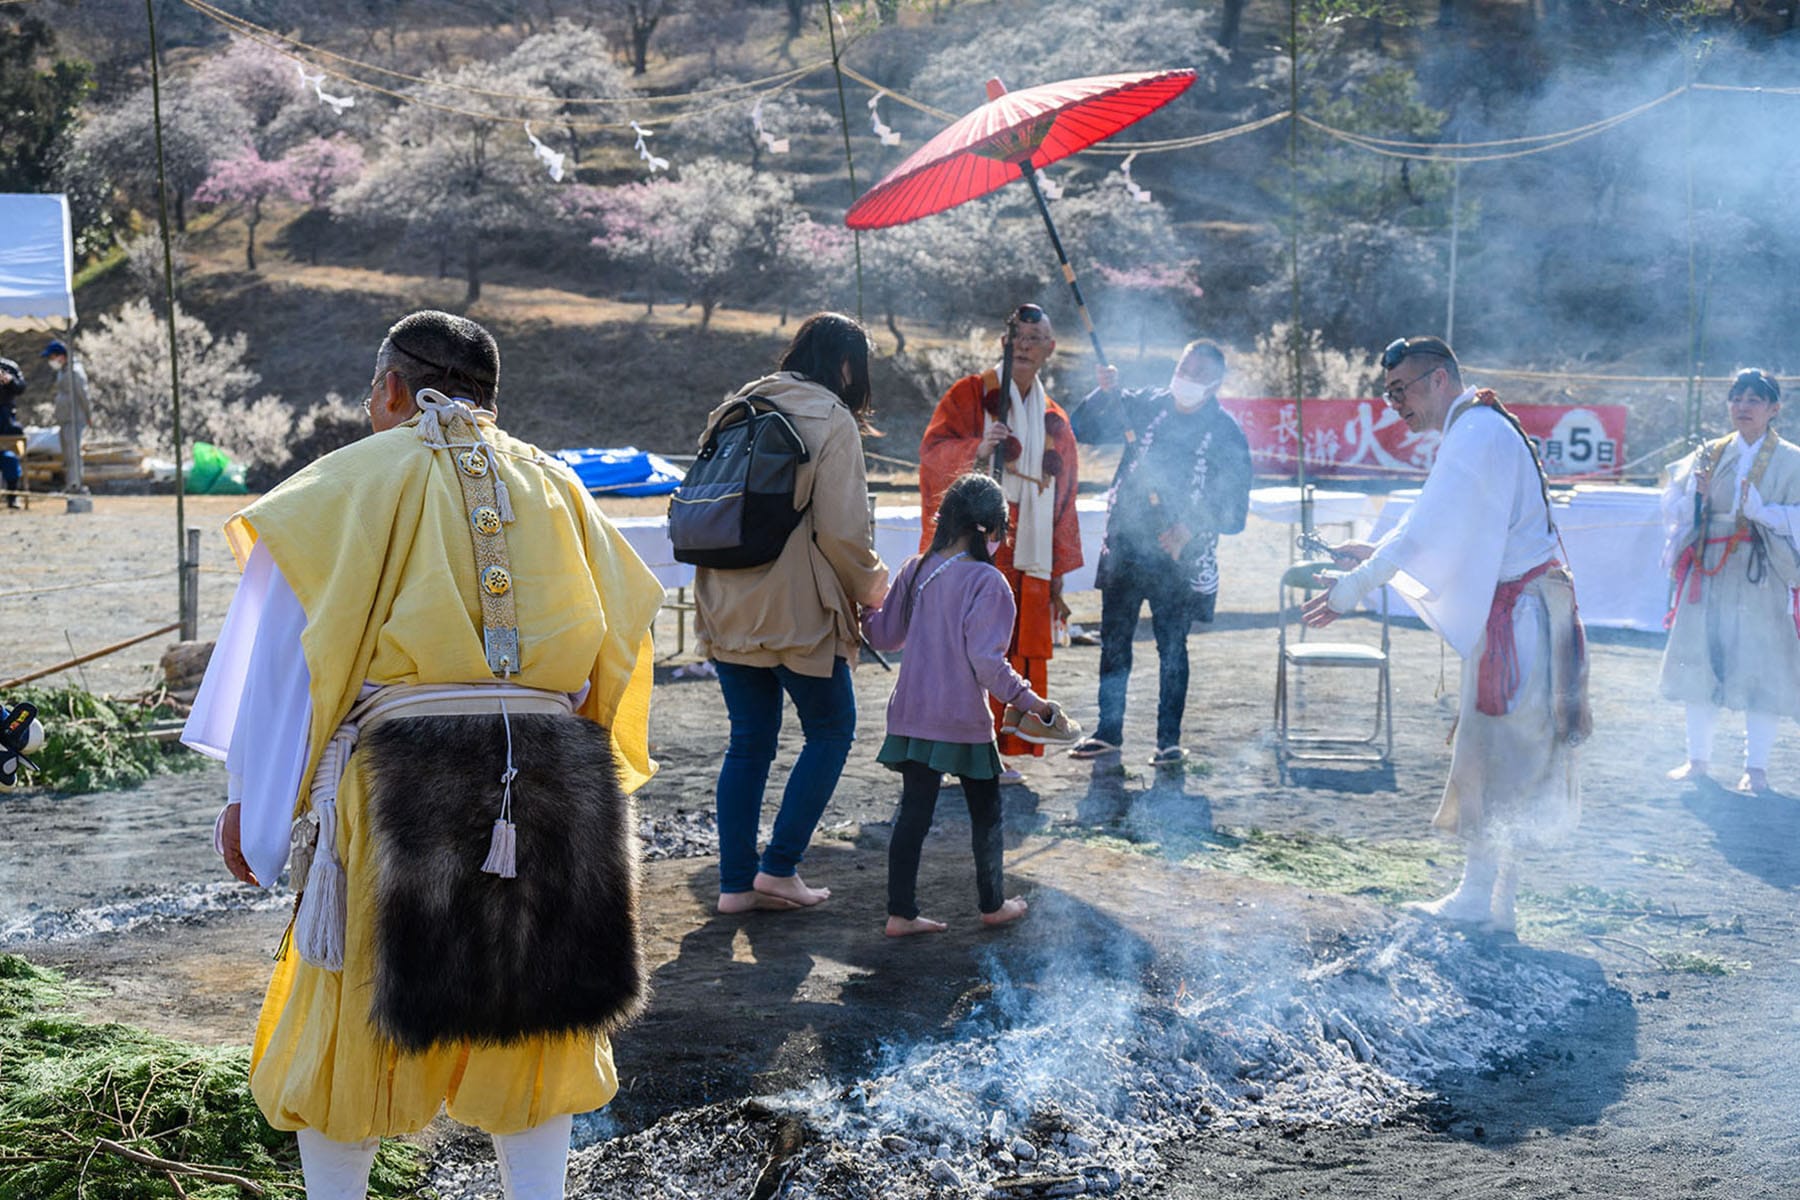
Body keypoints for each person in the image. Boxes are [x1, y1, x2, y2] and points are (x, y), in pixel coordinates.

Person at [182, 311, 665, 1200]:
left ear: (392, 389)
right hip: (556, 776)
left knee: (355, 1023)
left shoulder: (343, 484)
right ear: (489, 398)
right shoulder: (559, 487)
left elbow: (291, 662)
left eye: (375, 387)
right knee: (540, 1017)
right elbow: (624, 638)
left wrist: (256, 806)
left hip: (402, 780)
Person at [1303, 336, 1590, 935]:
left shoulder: (1476, 433)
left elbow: (1423, 535)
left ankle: (1479, 899)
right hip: (1524, 613)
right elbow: (1425, 520)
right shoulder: (1477, 428)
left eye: (1400, 390)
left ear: (1438, 379)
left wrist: (1351, 590)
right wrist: (1372, 556)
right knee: (1503, 754)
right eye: (1387, 394)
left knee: (1498, 756)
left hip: (1522, 618)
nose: (1395, 404)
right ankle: (1494, 904)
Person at [695, 312, 889, 915]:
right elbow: (844, 533)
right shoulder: (831, 419)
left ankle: (733, 885)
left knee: (749, 742)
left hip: (726, 599)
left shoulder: (736, 405)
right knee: (831, 731)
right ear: (848, 365)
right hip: (797, 609)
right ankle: (778, 868)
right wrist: (874, 587)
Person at [862, 473, 1080, 936]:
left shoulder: (915, 568)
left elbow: (883, 636)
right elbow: (987, 663)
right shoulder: (989, 582)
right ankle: (993, 903)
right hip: (962, 719)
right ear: (992, 529)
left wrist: (859, 601)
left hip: (911, 715)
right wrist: (1034, 703)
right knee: (987, 814)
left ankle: (900, 913)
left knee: (914, 813)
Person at [1067, 341, 1253, 764]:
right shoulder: (1146, 404)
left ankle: (1168, 740)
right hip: (1126, 547)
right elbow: (1084, 429)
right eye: (1186, 366)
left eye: (1201, 373)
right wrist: (1105, 392)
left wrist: (1190, 526)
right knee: (1114, 641)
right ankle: (1108, 732)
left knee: (1172, 647)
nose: (1189, 378)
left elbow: (1234, 506)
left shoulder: (1225, 432)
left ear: (1216, 383)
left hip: (1177, 558)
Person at [918, 303, 1081, 778]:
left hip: (1028, 553)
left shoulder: (1055, 419)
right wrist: (978, 449)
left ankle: (996, 750)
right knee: (970, 649)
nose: (1026, 346)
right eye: (1019, 337)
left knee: (1010, 653)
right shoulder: (971, 395)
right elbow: (931, 456)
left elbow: (1065, 497)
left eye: (1037, 338)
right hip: (979, 549)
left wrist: (1054, 574)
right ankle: (959, 748)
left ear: (1050, 349)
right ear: (1004, 343)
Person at [1658, 368, 1800, 795]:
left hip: (1761, 569)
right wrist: (1696, 497)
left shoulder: (1793, 459)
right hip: (1711, 564)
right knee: (1699, 659)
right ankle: (1696, 759)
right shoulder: (1709, 454)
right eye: (1737, 398)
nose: (1743, 406)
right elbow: (1673, 506)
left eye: (1755, 399)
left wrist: (1766, 513)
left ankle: (1755, 768)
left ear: (1775, 408)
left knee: (1762, 666)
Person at [41, 339, 89, 493]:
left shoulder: (75, 371)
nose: (51, 361)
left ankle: (77, 484)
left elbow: (83, 394)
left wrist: (88, 414)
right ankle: (70, 483)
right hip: (65, 417)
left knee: (74, 453)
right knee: (67, 454)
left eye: (52, 357)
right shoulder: (62, 370)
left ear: (61, 355)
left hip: (75, 417)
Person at [0, 356, 25, 507]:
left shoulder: (9, 366)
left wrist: (9, 380)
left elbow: (21, 387)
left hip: (6, 419)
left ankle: (12, 497)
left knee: (10, 458)